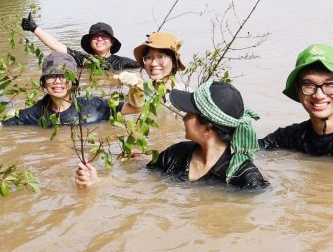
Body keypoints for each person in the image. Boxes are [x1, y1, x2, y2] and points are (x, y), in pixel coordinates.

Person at [75, 80, 269, 190]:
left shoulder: (245, 178)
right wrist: (97, 182)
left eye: (189, 114)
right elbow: (141, 178)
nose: (183, 117)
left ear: (207, 129)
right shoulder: (177, 154)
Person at [0, 52, 112, 128]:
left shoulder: (94, 105)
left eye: (64, 76)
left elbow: (131, 108)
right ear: (43, 83)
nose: (58, 81)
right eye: (52, 76)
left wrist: (133, 91)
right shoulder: (35, 114)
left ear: (73, 82)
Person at [21, 13, 140, 71]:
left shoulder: (122, 62)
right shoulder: (82, 59)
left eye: (104, 36)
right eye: (95, 36)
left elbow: (145, 68)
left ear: (112, 42)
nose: (99, 39)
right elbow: (56, 45)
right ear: (89, 42)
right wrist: (34, 28)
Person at [117, 30, 188, 115]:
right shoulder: (140, 89)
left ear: (174, 62)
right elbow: (124, 114)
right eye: (148, 57)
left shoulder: (185, 94)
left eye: (161, 57)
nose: (153, 64)